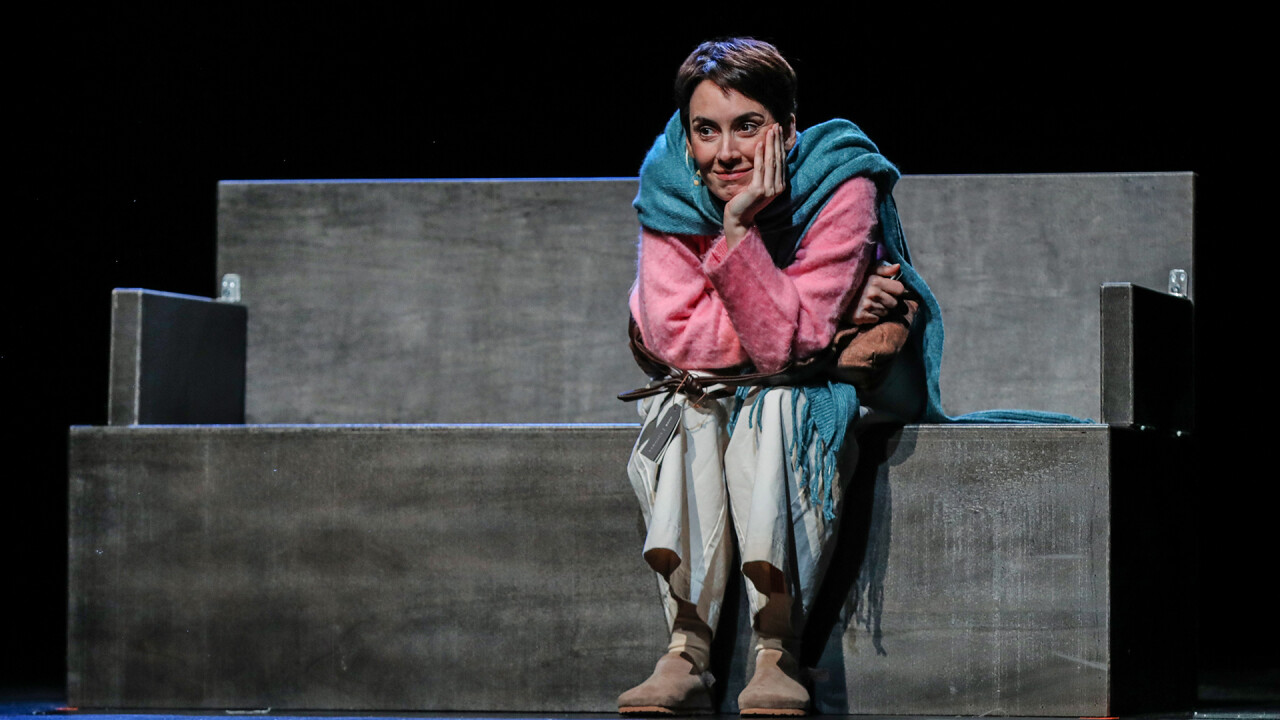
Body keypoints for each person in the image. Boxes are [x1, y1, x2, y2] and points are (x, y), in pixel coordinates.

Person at [617, 38, 923, 716]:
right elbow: (676, 338)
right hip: (738, 384)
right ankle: (686, 649)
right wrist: (819, 315)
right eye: (706, 130)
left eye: (747, 126)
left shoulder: (840, 180)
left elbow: (783, 349)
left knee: (781, 406)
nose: (725, 152)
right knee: (686, 405)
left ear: (786, 127)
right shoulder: (669, 183)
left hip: (829, 392)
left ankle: (776, 647)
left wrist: (737, 235)